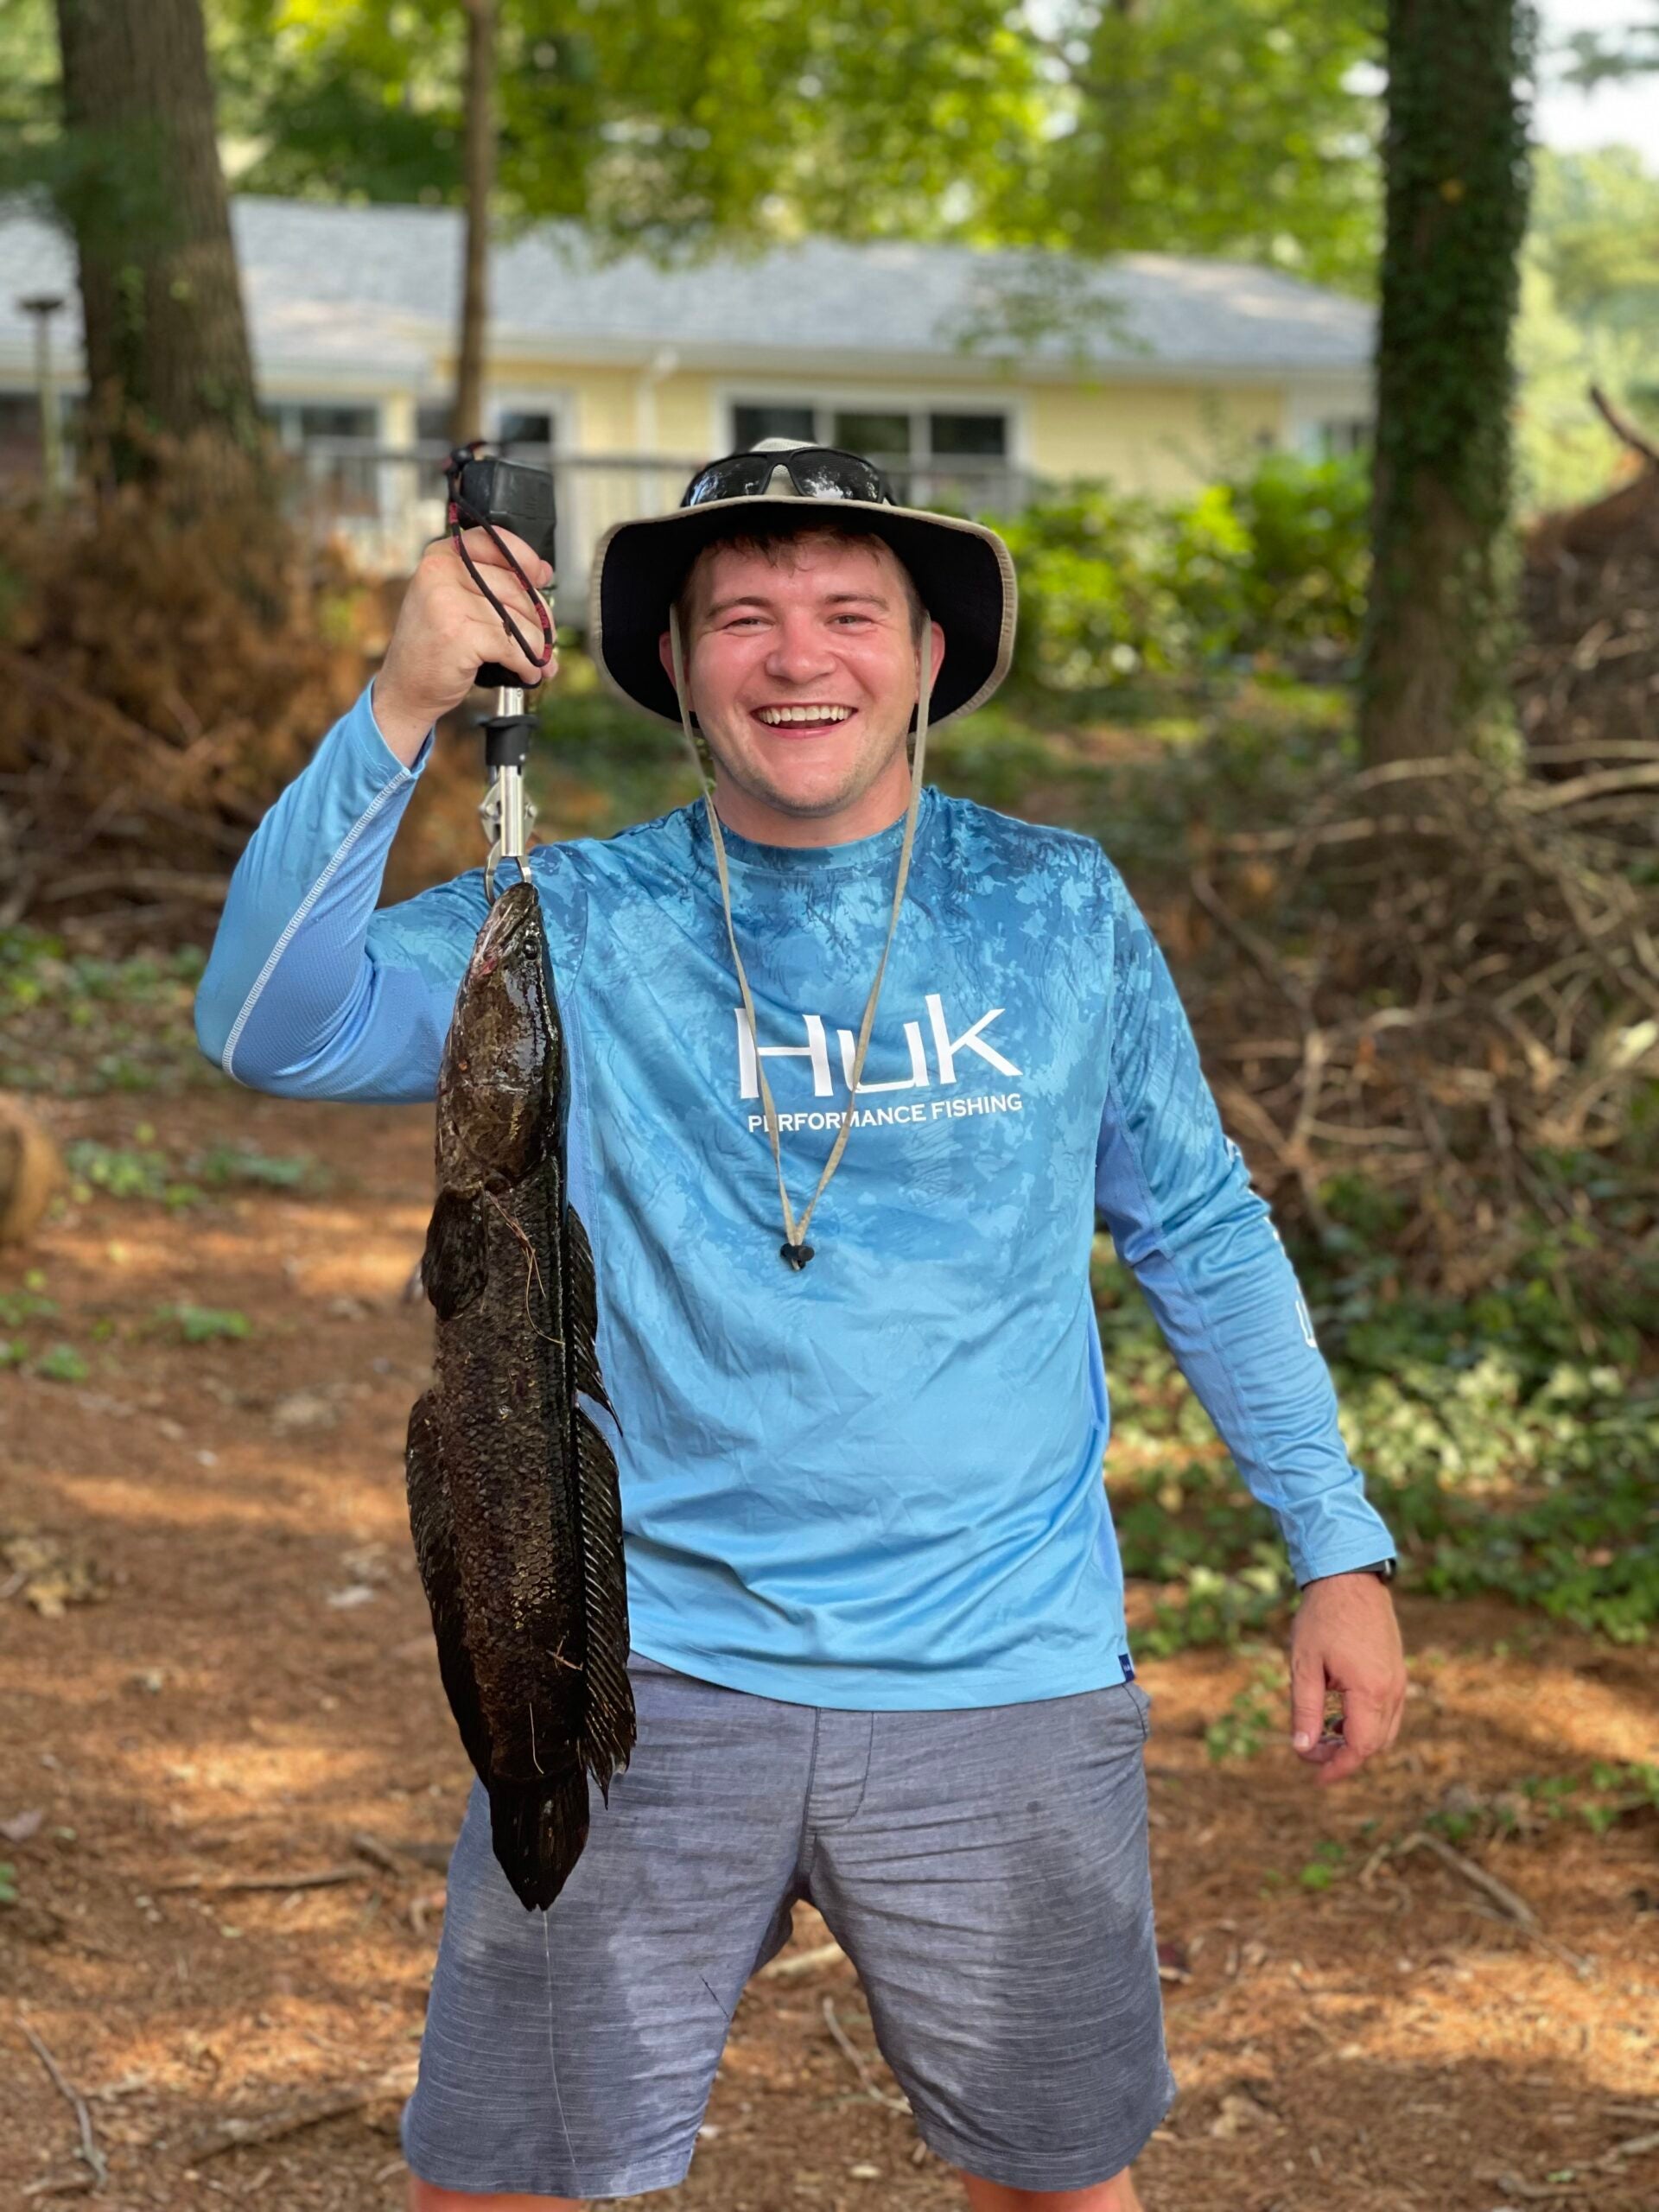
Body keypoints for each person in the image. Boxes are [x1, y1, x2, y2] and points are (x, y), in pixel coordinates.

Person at [194, 440, 1405, 2212]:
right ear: (675, 663)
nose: (797, 655)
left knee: (1061, 2182)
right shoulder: (573, 924)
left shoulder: (1058, 909)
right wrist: (397, 709)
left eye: (852, 609)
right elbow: (268, 1028)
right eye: (741, 614)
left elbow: (1202, 1230)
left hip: (1002, 1672)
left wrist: (1337, 1540)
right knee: (506, 2180)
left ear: (930, 656)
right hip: (633, 1672)